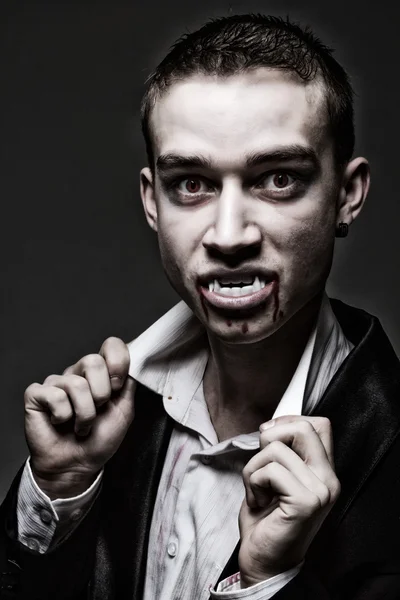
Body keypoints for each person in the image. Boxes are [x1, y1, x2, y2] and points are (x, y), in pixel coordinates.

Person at [1, 12, 400, 600]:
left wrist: (269, 584)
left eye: (279, 179)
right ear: (152, 203)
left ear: (347, 194)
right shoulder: (103, 431)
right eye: (192, 183)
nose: (230, 234)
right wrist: (56, 497)